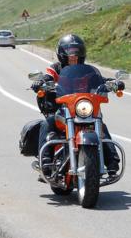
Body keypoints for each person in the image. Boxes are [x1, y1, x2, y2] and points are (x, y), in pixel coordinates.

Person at [32, 34, 122, 175]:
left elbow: (100, 80)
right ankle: (45, 161)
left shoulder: (88, 71)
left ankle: (112, 161)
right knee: (47, 123)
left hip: (83, 109)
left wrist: (113, 83)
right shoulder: (56, 68)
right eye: (69, 52)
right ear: (62, 54)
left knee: (101, 126)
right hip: (63, 109)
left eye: (76, 52)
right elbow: (48, 76)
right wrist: (41, 81)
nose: (73, 56)